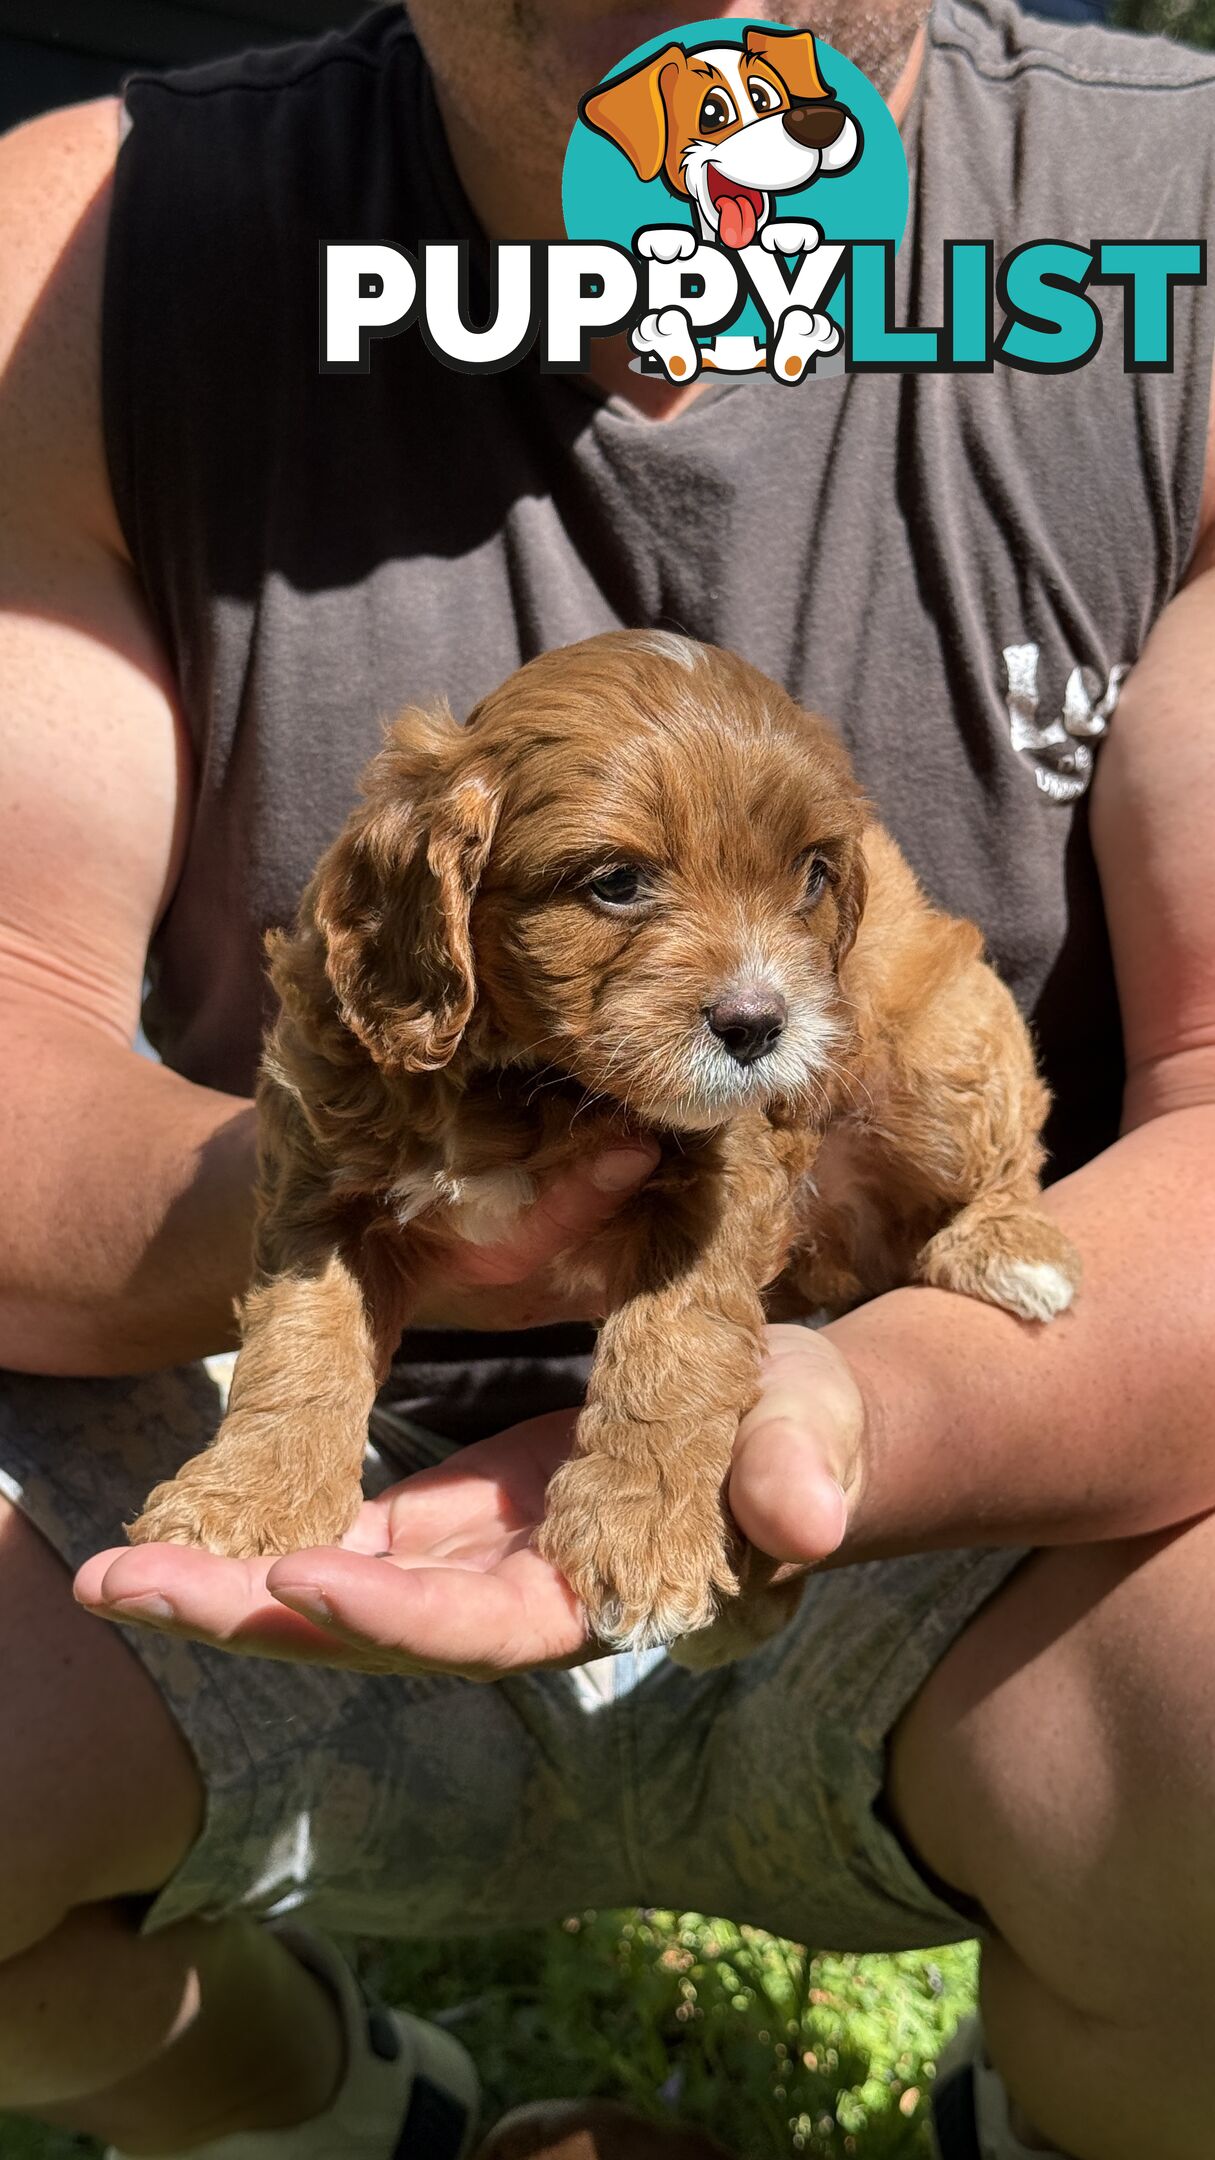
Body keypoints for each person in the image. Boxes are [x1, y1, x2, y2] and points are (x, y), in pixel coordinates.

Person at [0, 3, 1213, 2157]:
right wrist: (381, 1211)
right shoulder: (69, 255)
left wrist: (852, 1403)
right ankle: (304, 2112)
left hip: (960, 1516)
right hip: (242, 1471)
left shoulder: (1176, 230)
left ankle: (1078, 2117)